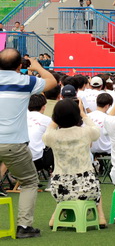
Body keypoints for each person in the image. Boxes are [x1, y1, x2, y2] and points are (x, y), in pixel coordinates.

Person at [0, 50, 56, 238]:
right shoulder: (26, 82)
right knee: (30, 181)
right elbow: (52, 81)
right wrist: (37, 66)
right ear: (19, 66)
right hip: (14, 142)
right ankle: (23, 226)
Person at [43, 99, 107, 227]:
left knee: (63, 194)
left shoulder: (51, 136)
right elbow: (96, 130)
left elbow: (48, 132)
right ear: (77, 115)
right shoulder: (86, 132)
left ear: (55, 116)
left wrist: (56, 118)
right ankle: (101, 217)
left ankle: (54, 217)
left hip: (60, 189)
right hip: (87, 188)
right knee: (95, 184)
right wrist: (83, 114)